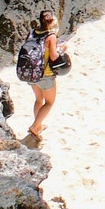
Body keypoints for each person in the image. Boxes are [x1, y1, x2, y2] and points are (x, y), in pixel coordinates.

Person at [26, 10, 66, 141]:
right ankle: (35, 126)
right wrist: (62, 50)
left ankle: (38, 126)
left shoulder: (32, 33)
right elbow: (54, 56)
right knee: (49, 102)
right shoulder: (51, 36)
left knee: (38, 100)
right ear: (51, 22)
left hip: (31, 72)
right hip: (45, 74)